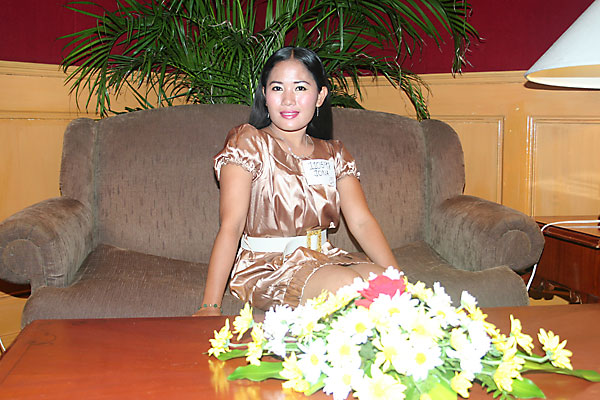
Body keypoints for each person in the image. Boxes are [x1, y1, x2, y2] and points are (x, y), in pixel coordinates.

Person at [194, 47, 398, 316]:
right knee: (349, 287)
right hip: (267, 267)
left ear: (320, 96)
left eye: (300, 88)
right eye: (277, 88)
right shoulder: (248, 143)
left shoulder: (334, 153)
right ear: (265, 95)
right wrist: (210, 306)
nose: (288, 99)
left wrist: (400, 281)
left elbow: (361, 222)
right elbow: (231, 226)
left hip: (323, 259)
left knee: (386, 287)